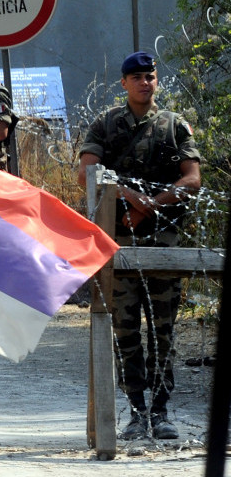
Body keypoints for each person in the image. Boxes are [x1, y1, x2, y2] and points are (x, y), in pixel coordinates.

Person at [77, 50, 201, 441]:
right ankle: (135, 409)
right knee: (125, 328)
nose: (144, 83)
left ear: (156, 81)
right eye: (137, 77)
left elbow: (192, 179)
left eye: (150, 76)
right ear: (124, 83)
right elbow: (87, 173)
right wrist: (129, 196)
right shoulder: (106, 124)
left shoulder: (173, 125)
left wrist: (152, 205)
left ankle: (161, 410)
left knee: (163, 328)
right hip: (120, 239)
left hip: (162, 239)